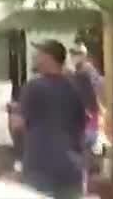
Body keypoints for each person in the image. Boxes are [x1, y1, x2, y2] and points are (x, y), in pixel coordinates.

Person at [12, 40, 87, 199]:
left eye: (39, 54)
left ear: (48, 58)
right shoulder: (74, 89)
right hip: (71, 166)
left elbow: (18, 125)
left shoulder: (32, 87)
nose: (35, 57)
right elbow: (82, 124)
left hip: (39, 165)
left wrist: (13, 113)